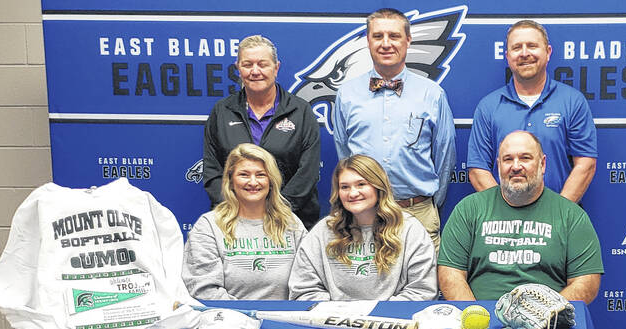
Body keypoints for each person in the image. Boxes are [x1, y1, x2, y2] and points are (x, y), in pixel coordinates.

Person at [333, 8, 456, 252]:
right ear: (368, 41)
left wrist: (428, 204)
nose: (386, 44)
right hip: (364, 216)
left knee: (422, 290)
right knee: (365, 288)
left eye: (394, 36)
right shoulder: (346, 95)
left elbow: (445, 157)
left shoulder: (432, 94)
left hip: (418, 214)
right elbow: (345, 156)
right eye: (378, 36)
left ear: (408, 40)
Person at [438, 131, 603, 303]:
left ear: (542, 164)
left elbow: (586, 282)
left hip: (548, 324)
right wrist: (475, 314)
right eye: (508, 159)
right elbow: (450, 273)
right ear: (499, 165)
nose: (516, 166)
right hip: (482, 322)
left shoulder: (571, 215)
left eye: (525, 158)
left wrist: (544, 314)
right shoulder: (469, 209)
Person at [467, 20, 597, 203]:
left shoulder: (572, 101)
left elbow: (585, 164)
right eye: (517, 47)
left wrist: (558, 214)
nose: (525, 53)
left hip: (559, 221)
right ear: (507, 56)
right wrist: (503, 211)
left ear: (548, 52)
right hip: (504, 224)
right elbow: (477, 169)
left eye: (532, 46)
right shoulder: (488, 107)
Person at [203, 35, 321, 230]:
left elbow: (307, 172)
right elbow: (213, 170)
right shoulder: (221, 112)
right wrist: (238, 211)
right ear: (238, 69)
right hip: (234, 221)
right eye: (247, 64)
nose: (255, 71)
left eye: (262, 64)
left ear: (276, 68)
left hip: (290, 221)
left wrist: (276, 211)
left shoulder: (301, 111)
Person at [288, 154, 437, 301]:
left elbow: (422, 291)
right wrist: (342, 314)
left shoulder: (409, 229)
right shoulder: (324, 230)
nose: (353, 193)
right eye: (345, 187)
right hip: (335, 322)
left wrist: (376, 317)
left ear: (378, 187)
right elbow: (303, 289)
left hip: (392, 321)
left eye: (361, 184)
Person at [183, 143, 306, 300]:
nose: (253, 182)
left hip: (283, 321)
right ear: (231, 180)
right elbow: (204, 289)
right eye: (244, 175)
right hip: (229, 321)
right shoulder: (209, 226)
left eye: (261, 175)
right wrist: (245, 318)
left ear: (271, 181)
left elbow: (308, 280)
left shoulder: (290, 223)